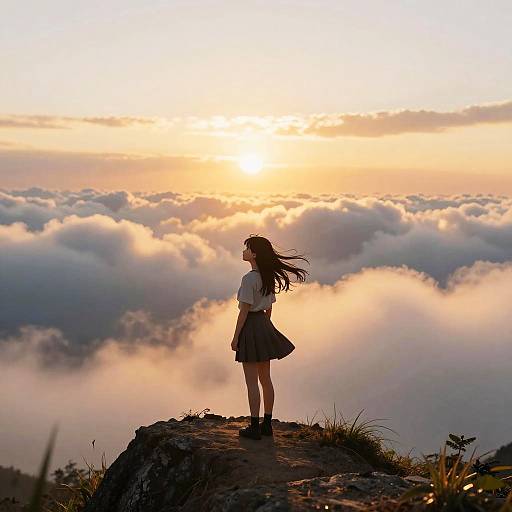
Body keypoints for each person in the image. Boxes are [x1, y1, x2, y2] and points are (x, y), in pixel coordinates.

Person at [231, 235, 310, 440]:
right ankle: (267, 424)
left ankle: (254, 427)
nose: (243, 251)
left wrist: (236, 337)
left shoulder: (248, 279)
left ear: (254, 254)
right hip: (264, 325)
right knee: (266, 379)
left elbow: (244, 311)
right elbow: (270, 307)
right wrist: (266, 327)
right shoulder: (267, 276)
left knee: (251, 382)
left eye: (247, 248)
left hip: (250, 327)